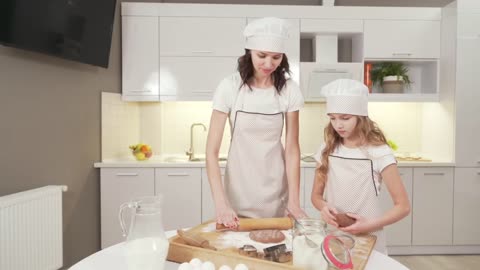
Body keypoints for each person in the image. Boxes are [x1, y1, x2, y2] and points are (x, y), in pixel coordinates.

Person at [206, 17, 306, 229]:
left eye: (276, 57)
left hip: (276, 191)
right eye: (261, 56)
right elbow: (211, 152)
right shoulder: (229, 87)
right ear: (249, 52)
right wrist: (221, 204)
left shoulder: (289, 90)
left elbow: (292, 148)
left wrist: (295, 202)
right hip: (237, 192)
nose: (269, 64)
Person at [311, 78, 410, 254]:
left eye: (345, 118)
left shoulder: (379, 152)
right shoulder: (326, 149)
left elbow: (402, 207)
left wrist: (369, 224)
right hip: (335, 235)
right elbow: (316, 196)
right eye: (332, 118)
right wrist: (324, 208)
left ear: (360, 117)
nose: (338, 125)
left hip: (369, 238)